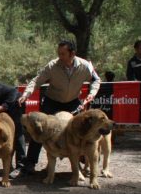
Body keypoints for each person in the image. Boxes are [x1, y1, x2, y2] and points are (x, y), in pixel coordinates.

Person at [13, 40, 101, 177]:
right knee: (39, 131)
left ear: (72, 54)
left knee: (81, 131)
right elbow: (36, 80)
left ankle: (83, 162)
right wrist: (26, 94)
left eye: (63, 54)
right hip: (52, 102)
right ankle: (29, 164)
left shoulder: (86, 66)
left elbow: (96, 80)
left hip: (73, 102)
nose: (60, 56)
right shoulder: (52, 66)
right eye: (58, 53)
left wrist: (92, 94)